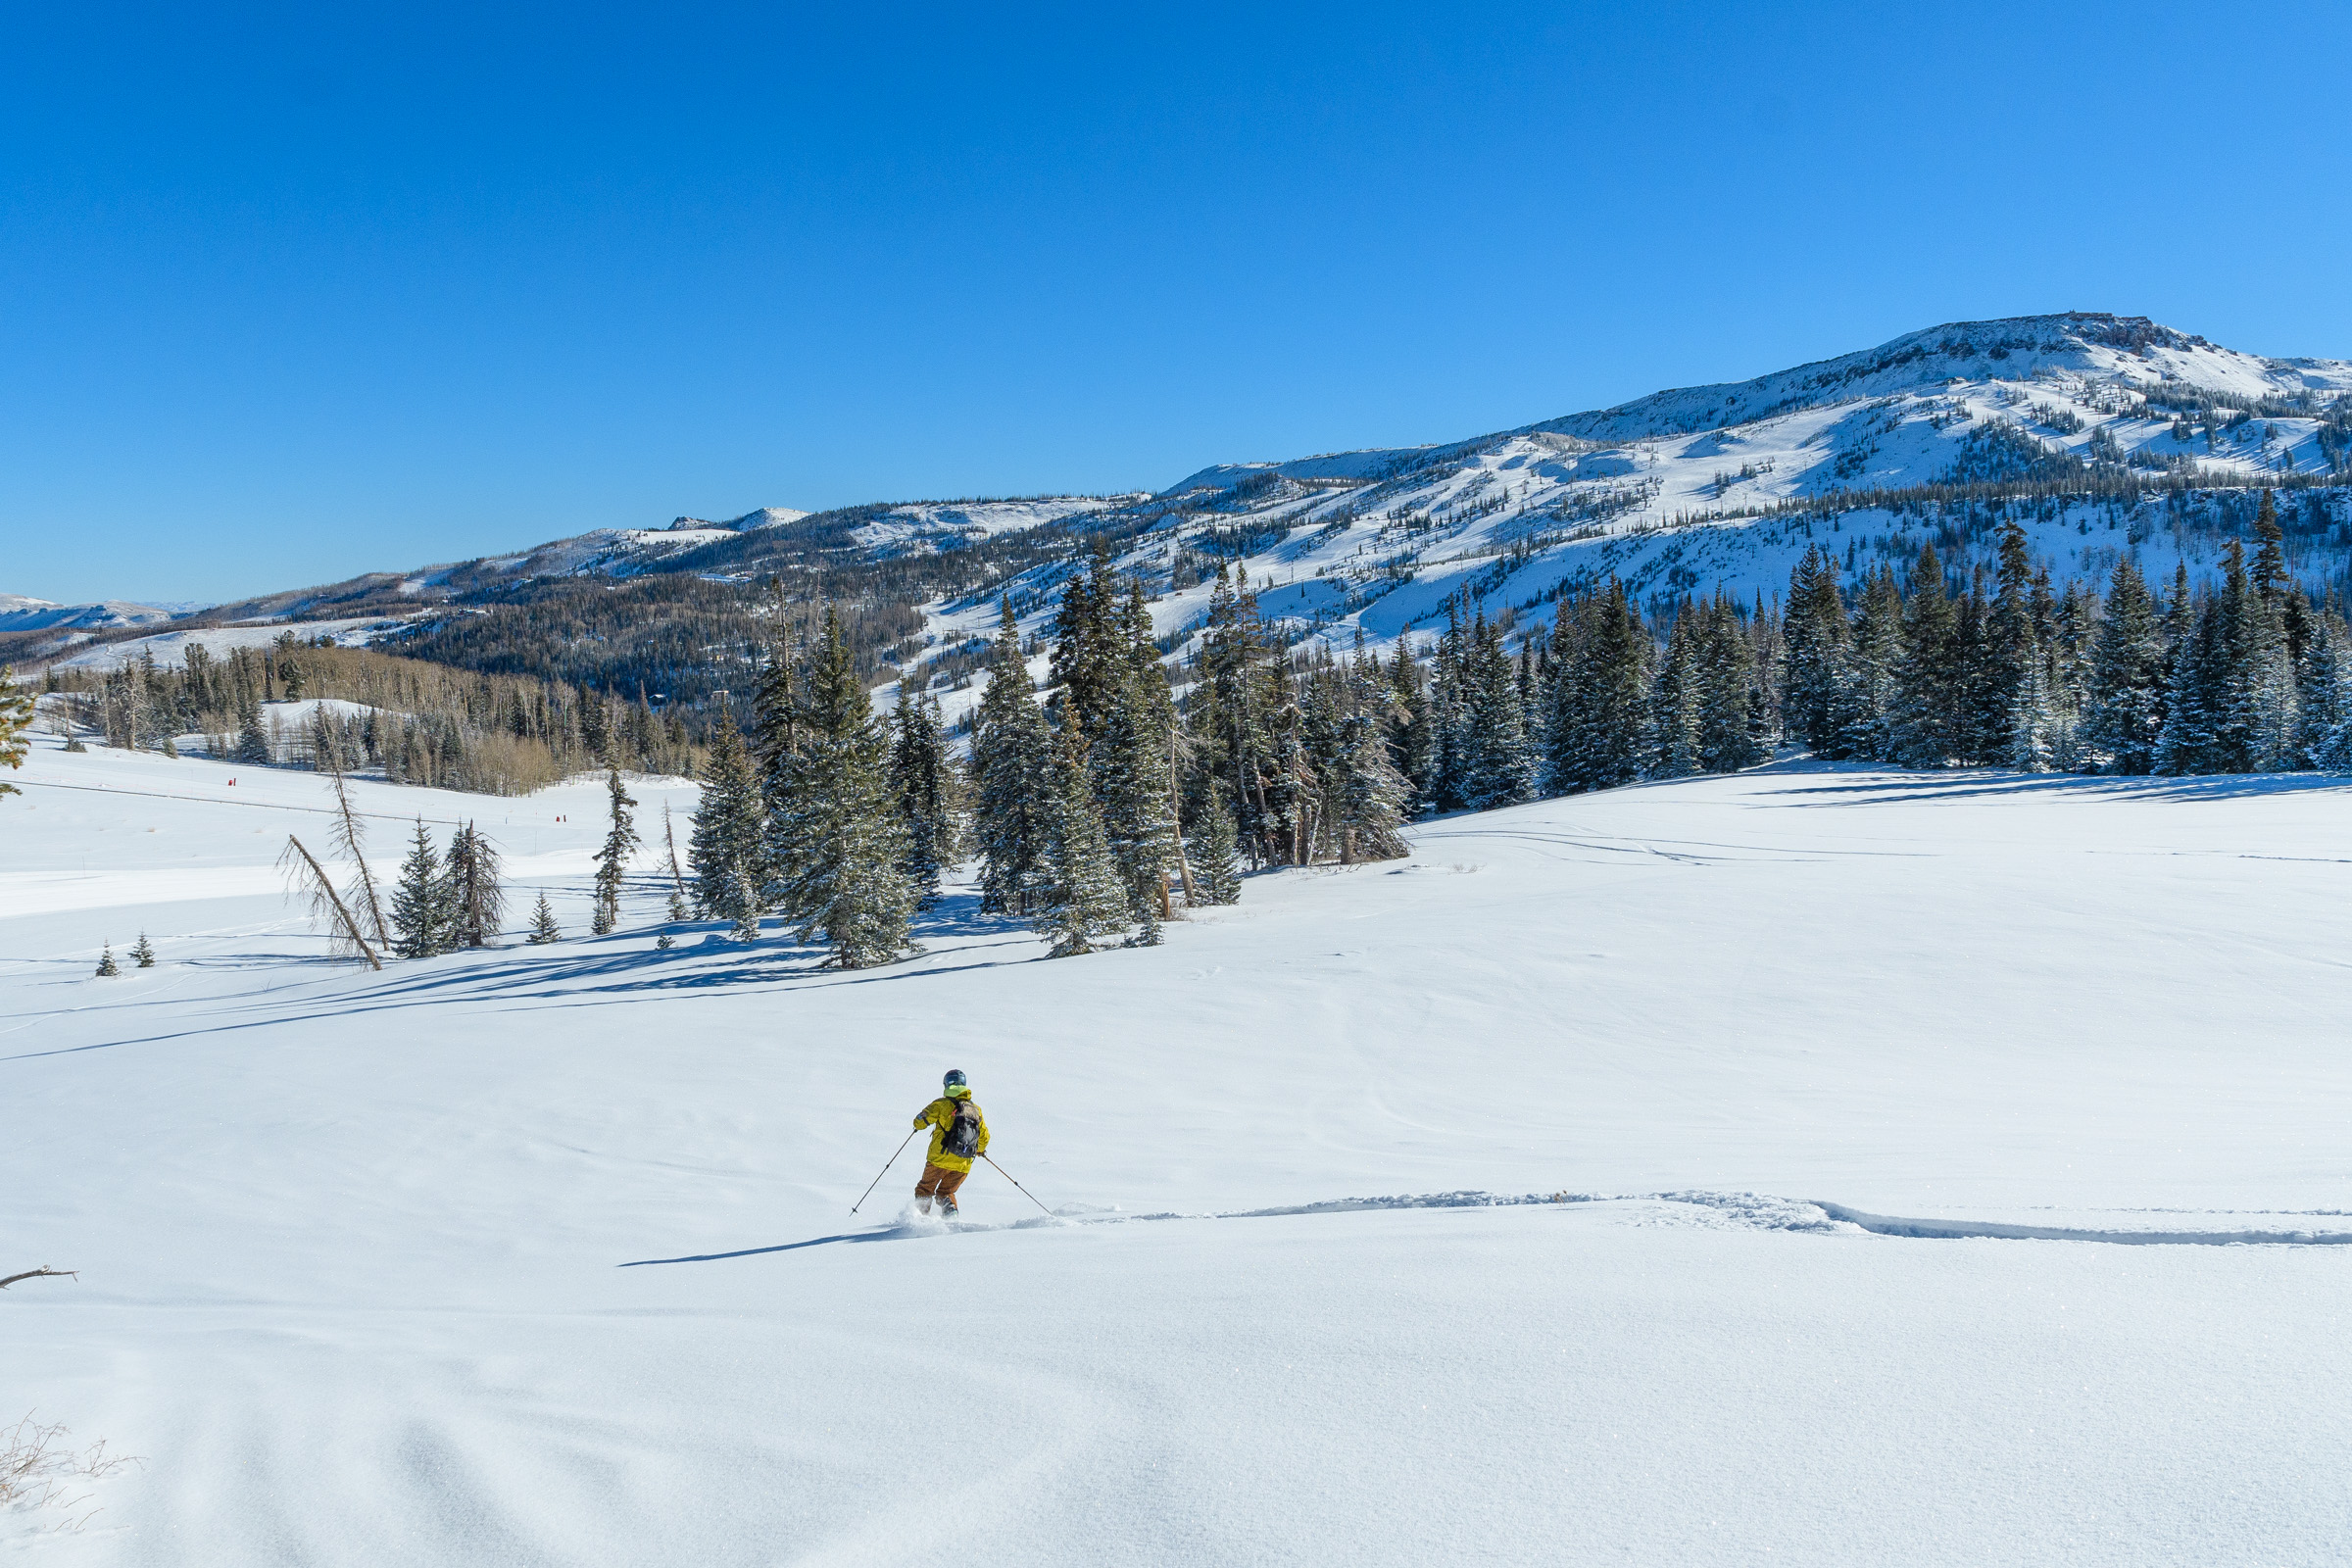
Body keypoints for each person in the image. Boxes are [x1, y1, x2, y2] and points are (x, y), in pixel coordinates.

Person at [911, 1069, 989, 1217]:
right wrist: (979, 1150)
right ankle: (951, 1214)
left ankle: (920, 1218)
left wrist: (919, 1120)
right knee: (947, 1192)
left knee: (925, 1189)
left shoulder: (941, 1104)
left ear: (946, 1084)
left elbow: (919, 1123)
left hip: (939, 1159)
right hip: (963, 1162)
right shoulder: (975, 1109)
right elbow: (984, 1137)